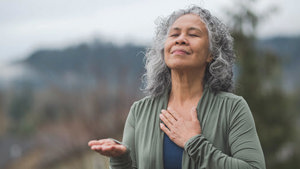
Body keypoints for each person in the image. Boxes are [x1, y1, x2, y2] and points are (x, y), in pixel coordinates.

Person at [88, 5, 266, 169]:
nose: (181, 40)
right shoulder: (139, 111)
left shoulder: (232, 108)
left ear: (211, 54)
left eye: (193, 34)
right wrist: (120, 159)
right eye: (174, 35)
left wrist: (194, 142)